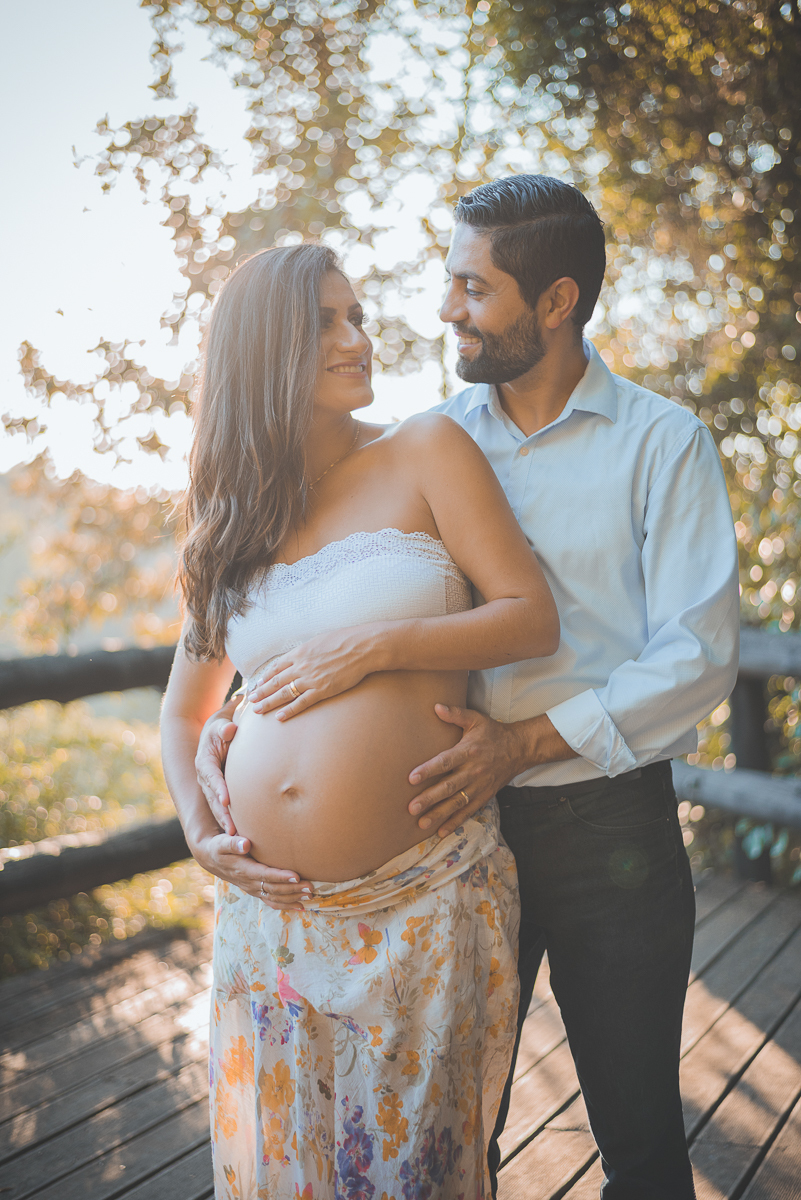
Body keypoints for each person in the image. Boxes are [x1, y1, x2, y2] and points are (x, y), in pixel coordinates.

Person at [196, 176, 740, 1198]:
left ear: (556, 301)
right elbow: (306, 603)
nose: (445, 309)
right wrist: (220, 734)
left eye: (473, 290)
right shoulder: (423, 436)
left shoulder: (662, 443)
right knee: (450, 1138)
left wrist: (524, 740)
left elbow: (697, 655)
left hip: (604, 827)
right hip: (447, 832)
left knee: (640, 1137)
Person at [160, 242, 560, 1199]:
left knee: (411, 1179)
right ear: (264, 353)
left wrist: (374, 645)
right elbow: (182, 711)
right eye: (327, 322)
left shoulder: (423, 449)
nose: (359, 337)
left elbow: (528, 615)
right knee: (280, 1176)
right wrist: (199, 832)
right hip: (270, 923)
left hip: (419, 901)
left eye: (357, 315)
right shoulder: (233, 516)